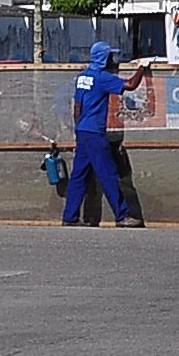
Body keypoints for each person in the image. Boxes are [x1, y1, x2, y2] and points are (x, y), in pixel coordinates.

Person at [63, 43, 148, 226]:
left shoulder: (82, 77)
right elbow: (131, 85)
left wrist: (78, 130)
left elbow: (77, 107)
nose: (113, 60)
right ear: (104, 58)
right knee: (108, 173)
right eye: (110, 56)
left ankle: (70, 217)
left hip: (83, 130)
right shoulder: (103, 78)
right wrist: (143, 68)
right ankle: (122, 216)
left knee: (79, 175)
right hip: (95, 132)